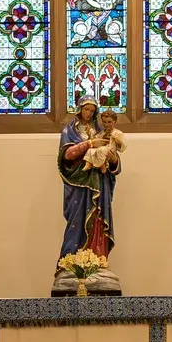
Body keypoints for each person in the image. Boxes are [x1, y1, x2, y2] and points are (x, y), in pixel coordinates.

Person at [54, 99, 122, 293]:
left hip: (100, 183)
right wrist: (90, 143)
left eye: (92, 111)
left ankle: (98, 262)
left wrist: (113, 158)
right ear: (80, 110)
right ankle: (71, 263)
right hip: (78, 184)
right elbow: (66, 156)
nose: (89, 114)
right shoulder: (70, 131)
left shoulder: (103, 130)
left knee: (99, 220)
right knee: (76, 221)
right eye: (86, 110)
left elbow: (116, 164)